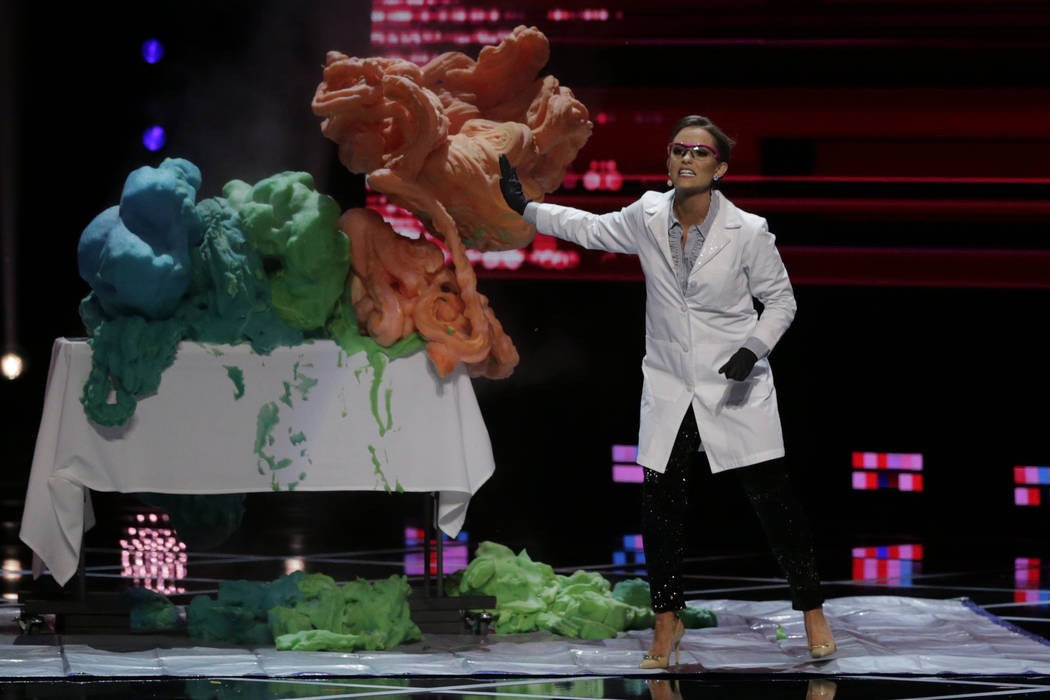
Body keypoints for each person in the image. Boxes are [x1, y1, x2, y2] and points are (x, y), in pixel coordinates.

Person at [498, 115, 835, 669]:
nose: (686, 158)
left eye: (699, 152)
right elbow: (591, 228)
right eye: (678, 149)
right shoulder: (648, 214)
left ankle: (812, 613)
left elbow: (781, 302)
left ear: (720, 168)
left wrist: (754, 347)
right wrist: (527, 208)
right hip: (670, 383)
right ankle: (666, 619)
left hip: (735, 386)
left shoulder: (748, 231)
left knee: (773, 504)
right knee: (661, 506)